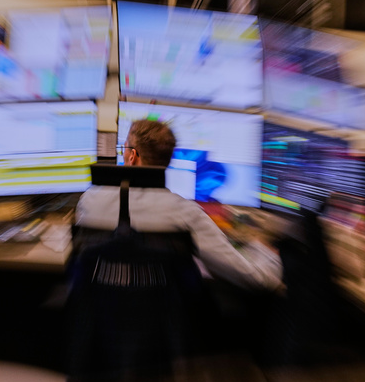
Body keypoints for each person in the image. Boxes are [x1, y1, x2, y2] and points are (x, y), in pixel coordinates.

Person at [76, 119, 283, 291]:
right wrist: (266, 253)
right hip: (164, 324)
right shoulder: (187, 213)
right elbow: (252, 278)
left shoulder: (90, 200)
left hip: (102, 319)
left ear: (132, 156)